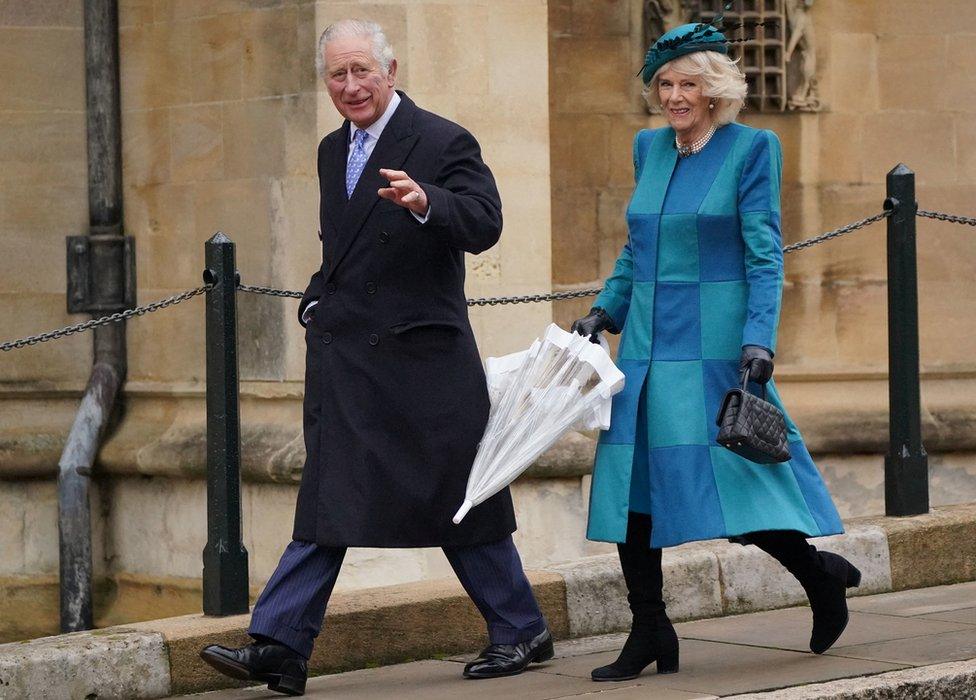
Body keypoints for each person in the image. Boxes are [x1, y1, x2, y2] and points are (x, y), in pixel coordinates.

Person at [200, 19, 551, 696]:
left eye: (363, 71)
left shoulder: (442, 139)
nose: (351, 86)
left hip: (424, 361)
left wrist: (429, 204)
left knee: (460, 500)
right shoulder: (335, 151)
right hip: (352, 360)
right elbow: (346, 252)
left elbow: (485, 222)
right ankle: (279, 646)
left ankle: (521, 629)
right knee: (330, 499)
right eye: (338, 75)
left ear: (391, 71)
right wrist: (314, 298)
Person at [571, 21, 860, 683]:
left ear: (714, 91)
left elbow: (765, 255)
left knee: (739, 485)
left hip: (715, 348)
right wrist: (604, 312)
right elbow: (636, 249)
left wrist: (760, 340)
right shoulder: (649, 148)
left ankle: (821, 578)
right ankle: (649, 629)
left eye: (687, 85)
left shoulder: (751, 148)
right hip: (645, 346)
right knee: (633, 493)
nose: (673, 95)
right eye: (665, 84)